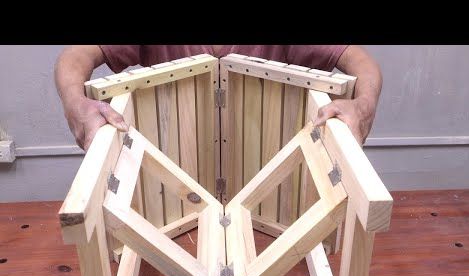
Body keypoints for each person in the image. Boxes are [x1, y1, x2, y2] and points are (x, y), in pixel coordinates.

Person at [54, 45, 382, 150]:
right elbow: (76, 55)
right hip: (167, 206)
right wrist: (75, 103)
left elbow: (359, 61)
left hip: (267, 208)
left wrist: (362, 106)